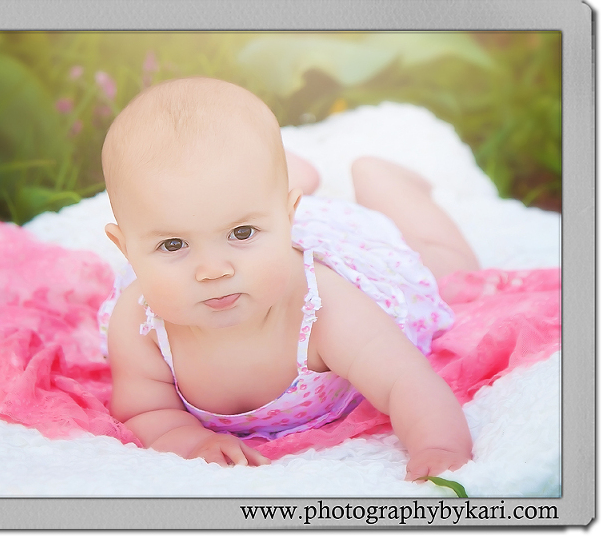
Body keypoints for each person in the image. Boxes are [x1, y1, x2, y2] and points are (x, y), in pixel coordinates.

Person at [98, 77, 477, 480]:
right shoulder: (140, 324)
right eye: (173, 245)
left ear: (288, 216)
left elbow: (405, 380)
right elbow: (145, 410)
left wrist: (438, 445)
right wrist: (191, 442)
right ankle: (278, 184)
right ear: (126, 250)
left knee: (454, 276)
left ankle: (381, 179)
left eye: (241, 233)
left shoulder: (323, 307)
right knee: (230, 201)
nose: (213, 270)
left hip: (341, 242)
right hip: (266, 212)